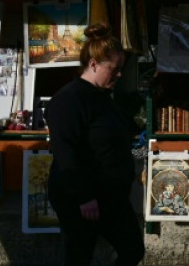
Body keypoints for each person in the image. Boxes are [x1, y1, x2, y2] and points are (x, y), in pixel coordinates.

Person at [46, 23, 144, 266]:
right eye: (115, 69)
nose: (119, 75)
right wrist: (84, 196)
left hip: (110, 195)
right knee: (80, 256)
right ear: (93, 64)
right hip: (84, 198)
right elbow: (66, 152)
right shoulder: (68, 100)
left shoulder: (102, 98)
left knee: (132, 249)